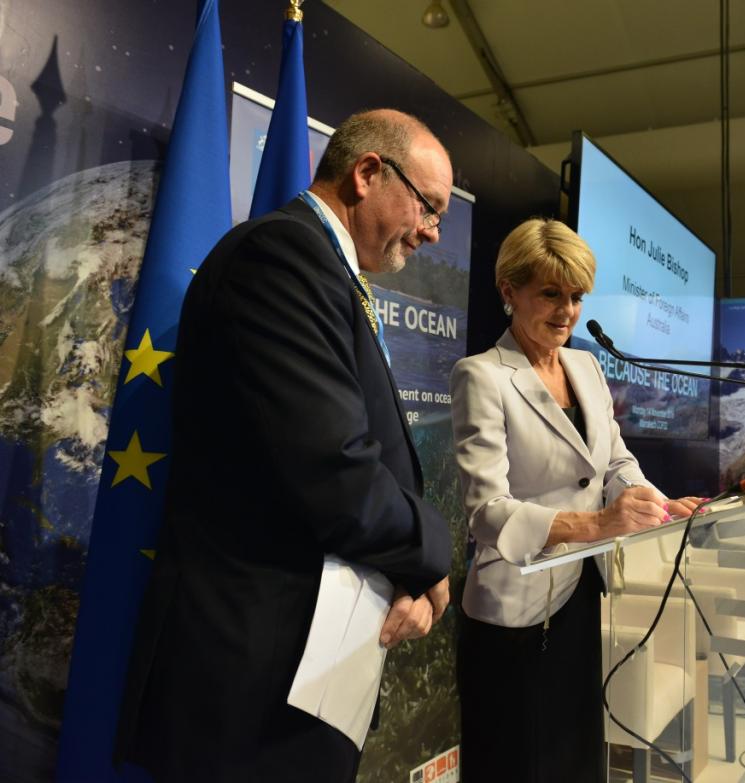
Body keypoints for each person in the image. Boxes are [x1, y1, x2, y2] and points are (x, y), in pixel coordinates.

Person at [114, 110, 455, 782]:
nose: (433, 232)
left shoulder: (326, 272)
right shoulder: (280, 259)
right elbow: (335, 472)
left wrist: (407, 569)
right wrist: (433, 553)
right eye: (428, 206)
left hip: (294, 683)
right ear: (366, 174)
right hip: (249, 698)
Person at [449, 218, 700, 782]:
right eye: (551, 293)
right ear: (509, 290)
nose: (567, 311)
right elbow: (487, 513)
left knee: (575, 755)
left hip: (581, 595)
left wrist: (656, 502)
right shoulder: (482, 377)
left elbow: (613, 462)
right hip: (513, 611)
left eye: (576, 296)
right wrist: (600, 522)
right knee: (518, 761)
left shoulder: (585, 367)